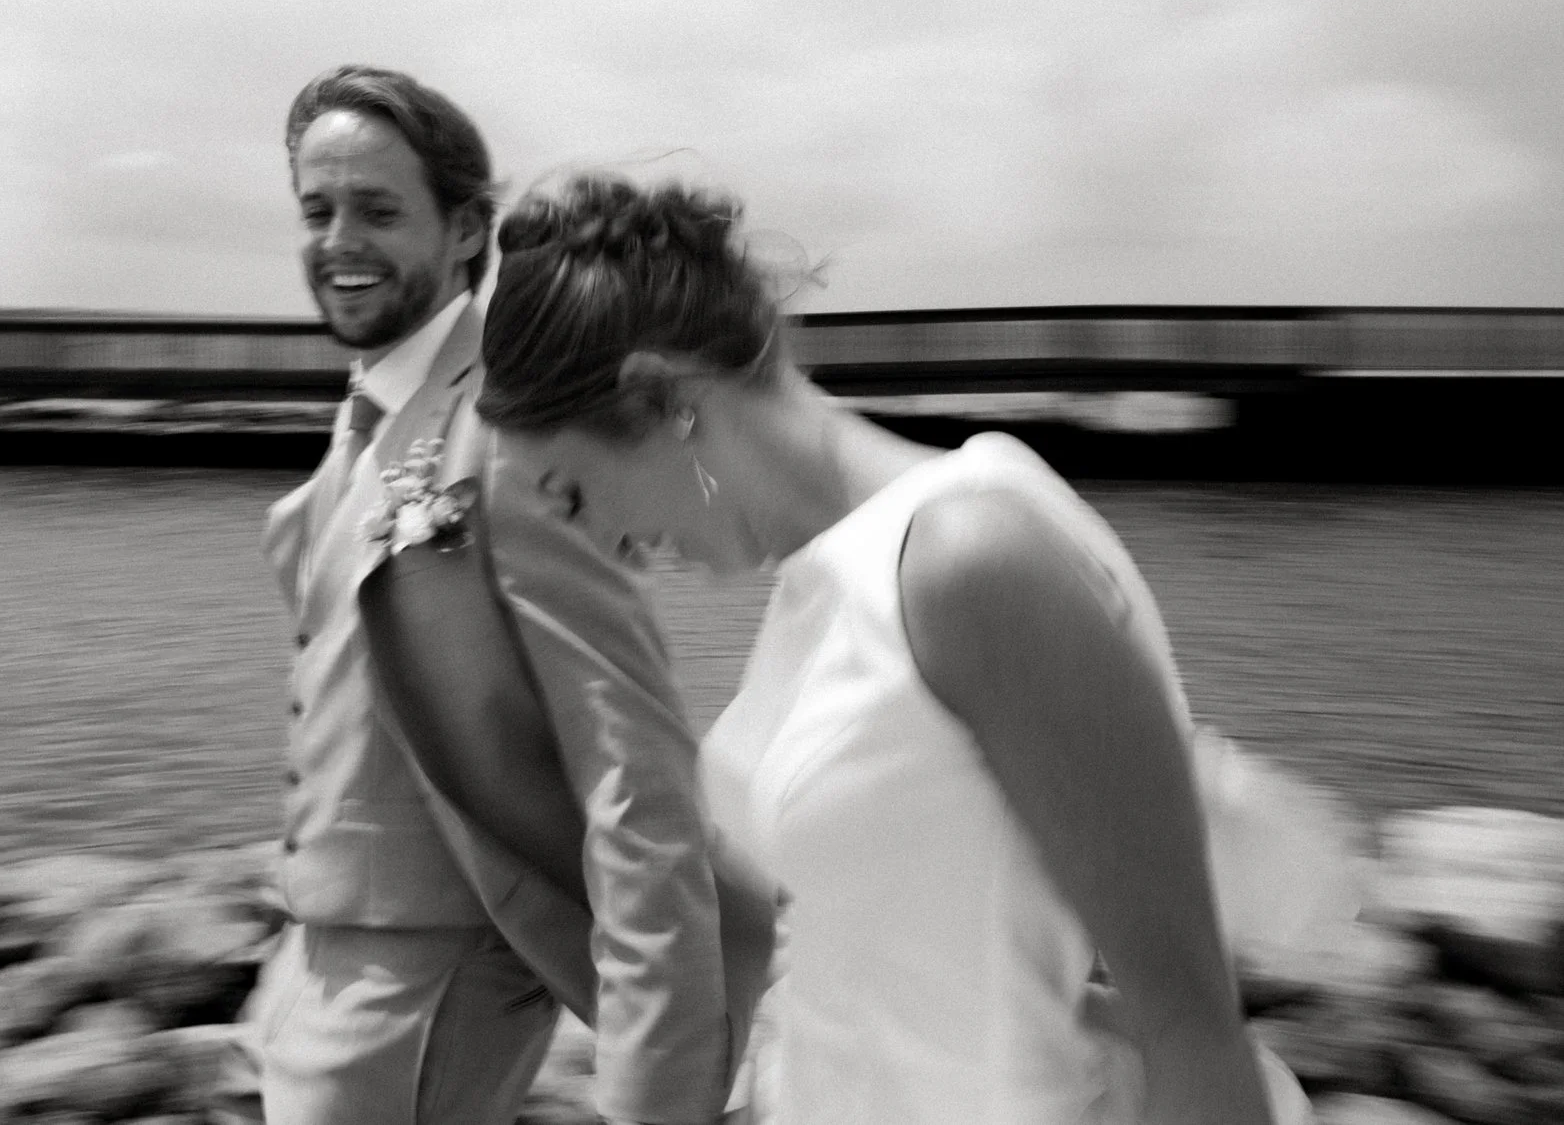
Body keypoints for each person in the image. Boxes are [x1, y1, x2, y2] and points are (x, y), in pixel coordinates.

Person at [473, 172, 1311, 1125]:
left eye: (572, 491)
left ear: (662, 399)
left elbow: (1194, 1034)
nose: (596, 539)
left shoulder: (974, 559)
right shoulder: (822, 590)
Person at [242, 68, 745, 1125]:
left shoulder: (513, 429)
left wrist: (663, 1080)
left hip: (431, 988)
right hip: (313, 966)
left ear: (468, 228)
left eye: (378, 211)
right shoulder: (374, 410)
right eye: (317, 210)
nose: (339, 240)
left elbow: (633, 767)